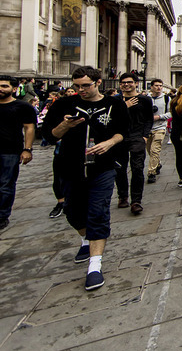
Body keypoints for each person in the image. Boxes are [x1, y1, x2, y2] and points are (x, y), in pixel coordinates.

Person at [41, 66, 128, 291]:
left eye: (86, 85)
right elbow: (49, 137)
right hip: (70, 167)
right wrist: (64, 125)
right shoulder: (63, 105)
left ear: (98, 83)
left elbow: (123, 132)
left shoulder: (114, 104)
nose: (80, 90)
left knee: (98, 212)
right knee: (73, 212)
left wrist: (109, 143)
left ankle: (95, 265)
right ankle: (85, 239)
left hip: (103, 167)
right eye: (77, 86)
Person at [0, 76, 36, 231]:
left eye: (4, 86)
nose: (0, 89)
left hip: (10, 150)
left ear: (14, 89)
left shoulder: (22, 107)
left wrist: (27, 149)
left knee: (5, 185)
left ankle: (2, 215)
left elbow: (29, 128)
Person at [114, 72, 153, 214]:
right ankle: (123, 196)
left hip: (137, 137)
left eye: (129, 82)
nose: (126, 84)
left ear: (136, 83)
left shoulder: (145, 100)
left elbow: (149, 119)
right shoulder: (115, 100)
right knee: (120, 169)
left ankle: (136, 200)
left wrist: (145, 135)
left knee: (137, 168)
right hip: (119, 137)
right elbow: (112, 119)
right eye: (123, 82)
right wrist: (125, 106)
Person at [146, 79, 170, 183]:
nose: (159, 87)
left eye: (160, 85)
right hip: (147, 128)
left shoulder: (166, 98)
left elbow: (170, 113)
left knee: (155, 149)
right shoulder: (146, 99)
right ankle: (157, 163)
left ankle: (151, 173)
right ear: (151, 87)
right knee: (149, 150)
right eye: (156, 85)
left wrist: (159, 117)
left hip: (160, 127)